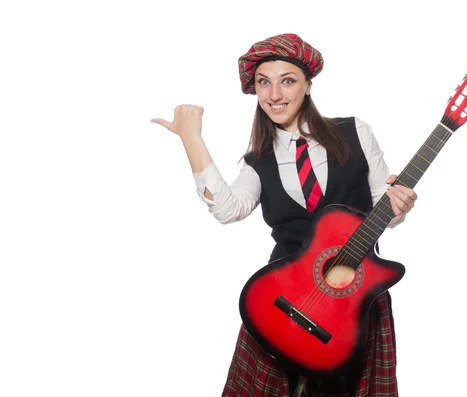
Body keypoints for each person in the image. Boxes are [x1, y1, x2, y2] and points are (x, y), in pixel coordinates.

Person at [151, 33, 418, 397]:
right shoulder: (257, 160)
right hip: (283, 300)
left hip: (353, 297)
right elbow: (229, 210)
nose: (274, 95)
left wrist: (398, 206)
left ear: (308, 85)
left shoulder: (356, 132)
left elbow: (381, 209)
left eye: (287, 81)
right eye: (264, 82)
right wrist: (191, 139)